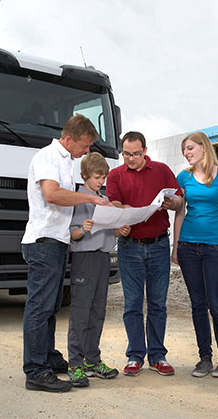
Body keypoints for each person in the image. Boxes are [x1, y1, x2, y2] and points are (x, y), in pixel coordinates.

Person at [21, 114, 111, 393]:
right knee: (40, 306)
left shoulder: (64, 161)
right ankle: (36, 371)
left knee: (51, 305)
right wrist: (89, 197)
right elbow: (51, 194)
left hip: (57, 242)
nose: (86, 151)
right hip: (44, 240)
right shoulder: (48, 156)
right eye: (84, 145)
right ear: (69, 138)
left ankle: (47, 357)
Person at [106, 131, 183, 377]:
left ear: (145, 151)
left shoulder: (161, 170)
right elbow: (114, 204)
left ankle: (158, 356)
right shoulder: (115, 175)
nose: (131, 158)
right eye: (126, 154)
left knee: (158, 303)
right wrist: (125, 215)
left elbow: (180, 200)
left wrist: (172, 204)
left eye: (136, 154)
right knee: (133, 304)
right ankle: (135, 356)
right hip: (130, 246)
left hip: (160, 245)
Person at [171, 132, 218, 379]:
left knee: (217, 304)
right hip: (188, 246)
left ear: (203, 147)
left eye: (189, 148)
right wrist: (175, 246)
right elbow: (179, 213)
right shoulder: (183, 177)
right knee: (197, 304)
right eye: (184, 150)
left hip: (216, 247)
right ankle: (204, 358)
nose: (186, 153)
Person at [66, 152, 129, 387]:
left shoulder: (104, 199)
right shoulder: (77, 199)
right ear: (84, 175)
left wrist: (118, 230)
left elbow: (108, 230)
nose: (100, 182)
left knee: (97, 311)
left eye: (103, 177)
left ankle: (92, 360)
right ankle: (75, 364)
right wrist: (83, 228)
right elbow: (72, 235)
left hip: (103, 257)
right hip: (84, 258)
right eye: (96, 177)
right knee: (81, 312)